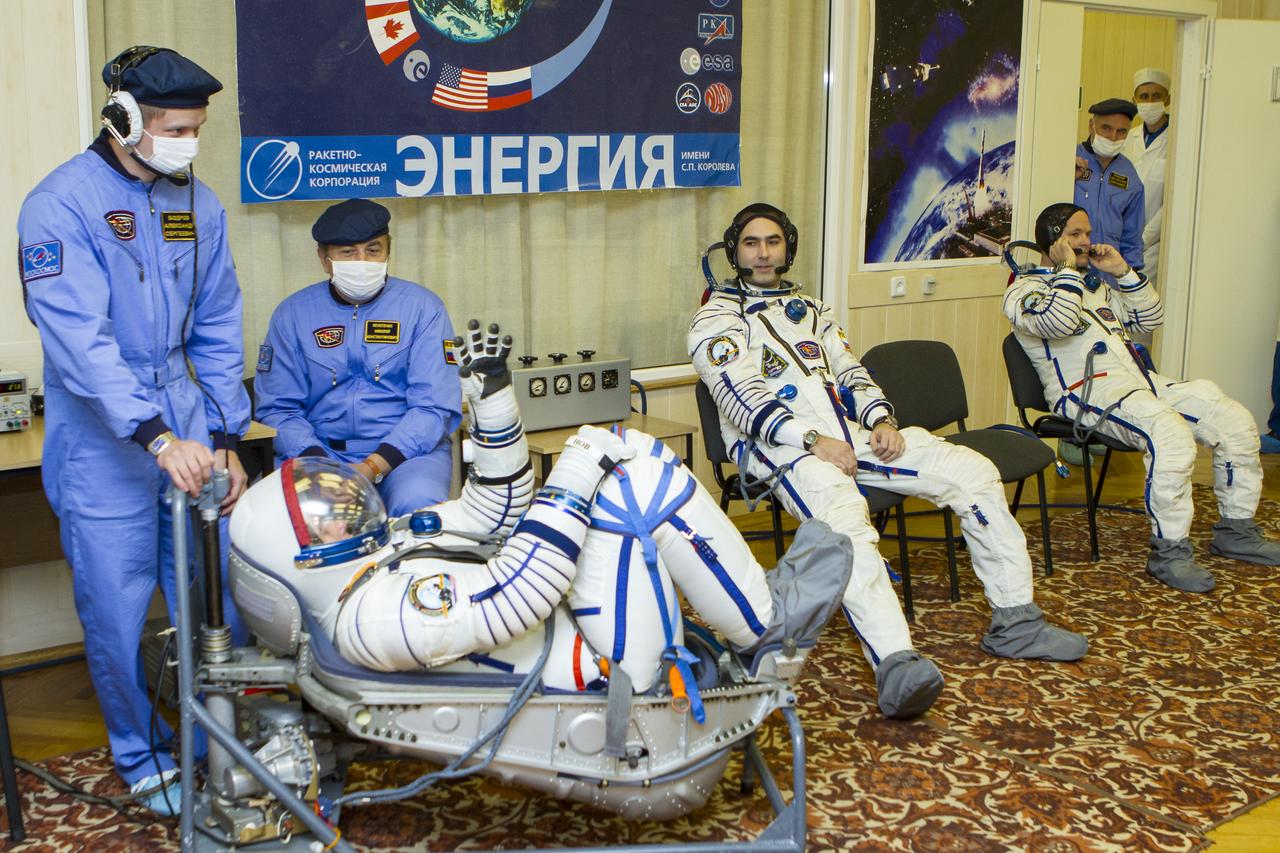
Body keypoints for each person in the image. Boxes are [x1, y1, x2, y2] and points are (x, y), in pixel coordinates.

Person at [232, 321, 849, 700]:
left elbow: (492, 512)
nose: (341, 508)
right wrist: (576, 472)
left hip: (578, 629)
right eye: (322, 514)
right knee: (629, 482)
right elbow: (520, 591)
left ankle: (756, 610)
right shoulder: (373, 616)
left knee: (630, 452)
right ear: (297, 558)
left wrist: (493, 404)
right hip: (604, 674)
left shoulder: (375, 557)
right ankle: (766, 627)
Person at [687, 203, 1087, 721]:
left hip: (848, 436)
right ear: (735, 251)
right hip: (782, 449)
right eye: (751, 243)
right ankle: (896, 663)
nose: (763, 253)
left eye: (773, 242)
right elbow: (741, 397)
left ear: (788, 247)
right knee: (847, 525)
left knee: (972, 472)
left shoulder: (810, 310)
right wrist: (812, 440)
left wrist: (881, 420)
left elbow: (850, 371)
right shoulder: (716, 319)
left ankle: (1017, 621)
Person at [16, 46, 251, 813]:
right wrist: (153, 435)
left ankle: (220, 737)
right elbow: (79, 343)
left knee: (214, 598)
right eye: (175, 129)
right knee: (116, 611)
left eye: (197, 129)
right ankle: (142, 756)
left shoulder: (199, 204)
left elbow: (218, 324)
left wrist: (225, 436)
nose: (189, 144)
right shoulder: (59, 206)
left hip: (188, 421)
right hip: (103, 441)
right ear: (123, 120)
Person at [1004, 203, 1280, 592]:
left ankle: (1237, 530)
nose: (1086, 241)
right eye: (1075, 234)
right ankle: (1169, 552)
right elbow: (1059, 322)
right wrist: (1066, 271)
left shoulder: (1094, 288)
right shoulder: (1023, 291)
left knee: (1231, 417)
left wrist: (1122, 273)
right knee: (1169, 434)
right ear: (1052, 241)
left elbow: (1149, 320)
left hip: (1137, 382)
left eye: (1088, 233)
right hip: (1084, 391)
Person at [254, 199, 461, 515]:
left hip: (406, 456)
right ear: (324, 259)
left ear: (388, 251)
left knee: (417, 509)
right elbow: (278, 409)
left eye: (373, 250)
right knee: (309, 519)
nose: (362, 262)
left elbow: (434, 406)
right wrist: (322, 466)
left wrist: (373, 465)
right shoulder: (292, 315)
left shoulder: (423, 309)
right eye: (348, 252)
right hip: (317, 453)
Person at [1074, 98, 1146, 278]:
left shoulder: (1129, 175)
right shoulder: (1071, 160)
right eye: (1106, 128)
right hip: (1070, 267)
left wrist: (1131, 275)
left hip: (1108, 273)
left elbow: (1133, 237)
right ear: (1091, 126)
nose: (1113, 137)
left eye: (1121, 131)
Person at [1122, 69, 1172, 283]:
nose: (1149, 102)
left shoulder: (1177, 138)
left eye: (1156, 96)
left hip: (1154, 244)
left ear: (1167, 99)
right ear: (1135, 100)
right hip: (1122, 238)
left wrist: (1144, 238)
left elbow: (1172, 201)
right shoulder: (1127, 138)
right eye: (1144, 96)